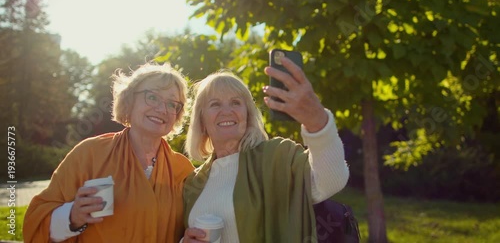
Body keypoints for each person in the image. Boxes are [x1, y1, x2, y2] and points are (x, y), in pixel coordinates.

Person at [182, 56, 350, 243]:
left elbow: (331, 181)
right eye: (215, 104)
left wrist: (317, 121)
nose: (227, 111)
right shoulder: (193, 183)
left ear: (248, 114)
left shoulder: (277, 155)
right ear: (201, 120)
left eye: (236, 102)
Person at [23, 63, 195, 242]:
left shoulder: (183, 170)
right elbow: (37, 222)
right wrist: (72, 216)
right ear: (129, 101)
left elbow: (188, 230)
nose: (162, 109)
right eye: (152, 97)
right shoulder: (89, 154)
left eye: (172, 104)